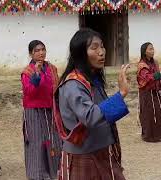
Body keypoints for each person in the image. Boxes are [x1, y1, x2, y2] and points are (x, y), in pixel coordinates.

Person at [53, 28, 130, 180]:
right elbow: (90, 116)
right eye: (94, 48)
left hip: (101, 150)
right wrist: (121, 94)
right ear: (81, 53)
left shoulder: (92, 79)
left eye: (102, 46)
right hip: (85, 155)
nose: (101, 52)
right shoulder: (73, 84)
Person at [21, 40, 62, 180]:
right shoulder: (27, 72)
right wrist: (36, 76)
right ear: (31, 54)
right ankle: (38, 174)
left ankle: (56, 170)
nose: (41, 53)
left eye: (43, 49)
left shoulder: (52, 68)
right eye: (37, 50)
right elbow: (29, 92)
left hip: (51, 109)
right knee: (37, 142)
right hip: (34, 111)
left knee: (54, 140)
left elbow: (57, 88)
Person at [137, 42, 161, 143]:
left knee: (160, 112)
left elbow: (158, 78)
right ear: (145, 52)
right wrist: (158, 75)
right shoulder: (142, 65)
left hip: (156, 91)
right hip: (146, 93)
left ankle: (159, 135)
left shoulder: (155, 62)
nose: (152, 51)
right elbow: (147, 78)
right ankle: (148, 136)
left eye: (153, 49)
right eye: (150, 49)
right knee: (148, 114)